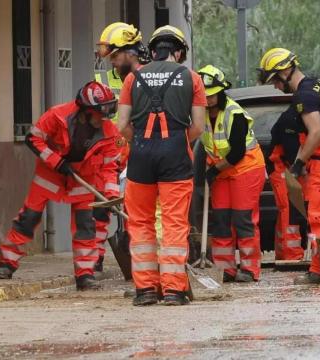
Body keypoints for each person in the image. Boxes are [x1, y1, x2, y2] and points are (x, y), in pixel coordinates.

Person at [0, 82, 121, 290]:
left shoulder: (109, 132)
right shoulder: (57, 116)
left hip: (84, 180)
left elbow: (110, 168)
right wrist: (57, 162)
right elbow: (33, 139)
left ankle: (85, 276)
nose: (104, 117)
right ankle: (6, 263)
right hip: (50, 176)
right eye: (100, 112)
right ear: (86, 112)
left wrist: (112, 195)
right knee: (28, 218)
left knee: (85, 227)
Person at [116, 25, 206, 306]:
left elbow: (122, 126)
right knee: (174, 223)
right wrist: (178, 143)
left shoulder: (133, 78)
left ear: (153, 50)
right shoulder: (192, 78)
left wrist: (142, 142)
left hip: (141, 157)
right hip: (175, 157)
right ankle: (173, 291)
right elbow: (199, 127)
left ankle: (145, 290)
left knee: (140, 222)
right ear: (178, 51)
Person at [258, 48, 320, 285]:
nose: (277, 87)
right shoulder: (318, 84)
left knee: (317, 216)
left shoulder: (303, 96)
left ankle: (319, 271)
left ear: (286, 72)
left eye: (276, 81)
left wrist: (298, 164)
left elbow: (316, 132)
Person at [197, 65, 266, 283]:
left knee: (243, 219)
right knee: (221, 220)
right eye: (204, 96)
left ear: (221, 91)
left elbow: (236, 152)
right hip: (221, 170)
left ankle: (249, 268)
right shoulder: (201, 114)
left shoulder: (234, 114)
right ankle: (224, 269)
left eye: (211, 95)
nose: (208, 100)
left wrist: (213, 170)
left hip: (245, 168)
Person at [93, 22, 149, 271]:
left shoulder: (149, 78)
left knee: (138, 212)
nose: (112, 62)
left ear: (131, 52)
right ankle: (93, 260)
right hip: (109, 153)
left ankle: (143, 264)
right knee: (101, 207)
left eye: (115, 56)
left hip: (139, 152)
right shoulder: (104, 79)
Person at [268, 107, 304, 260]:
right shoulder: (291, 119)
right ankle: (292, 255)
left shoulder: (297, 116)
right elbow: (291, 150)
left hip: (288, 166)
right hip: (282, 166)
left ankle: (284, 252)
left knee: (287, 210)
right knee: (289, 210)